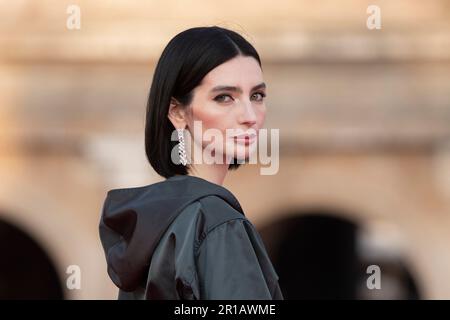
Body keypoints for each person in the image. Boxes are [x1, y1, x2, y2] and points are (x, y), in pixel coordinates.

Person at [99, 26, 283, 300]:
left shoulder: (156, 224)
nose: (249, 116)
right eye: (224, 97)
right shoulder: (217, 223)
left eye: (257, 95)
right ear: (177, 112)